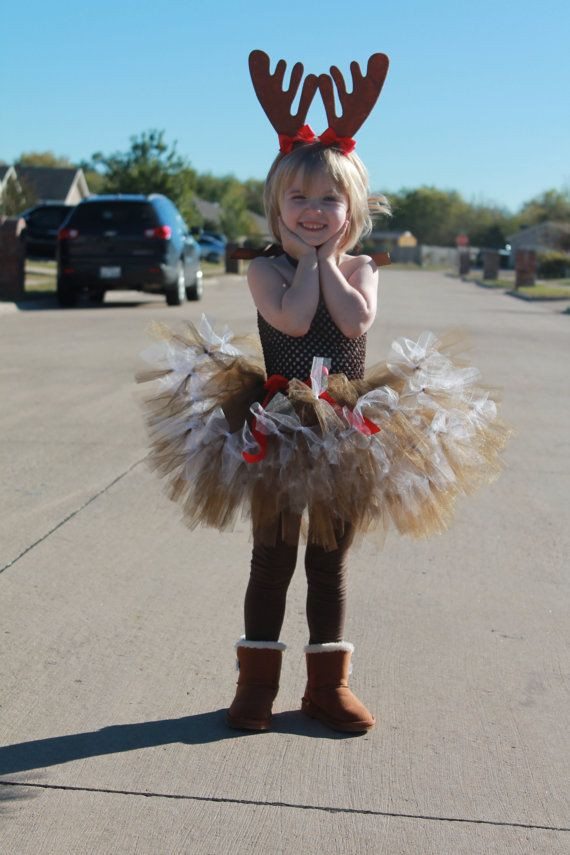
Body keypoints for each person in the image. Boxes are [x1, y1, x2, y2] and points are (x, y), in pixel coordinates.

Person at [137, 50, 510, 735]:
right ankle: (256, 685)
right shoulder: (263, 270)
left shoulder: (363, 267)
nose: (313, 211)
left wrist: (329, 259)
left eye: (329, 200)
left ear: (354, 206)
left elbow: (353, 320)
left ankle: (326, 686)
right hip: (276, 421)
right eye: (298, 200)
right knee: (272, 555)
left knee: (329, 561)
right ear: (277, 206)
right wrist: (307, 260)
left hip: (345, 428)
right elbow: (292, 319)